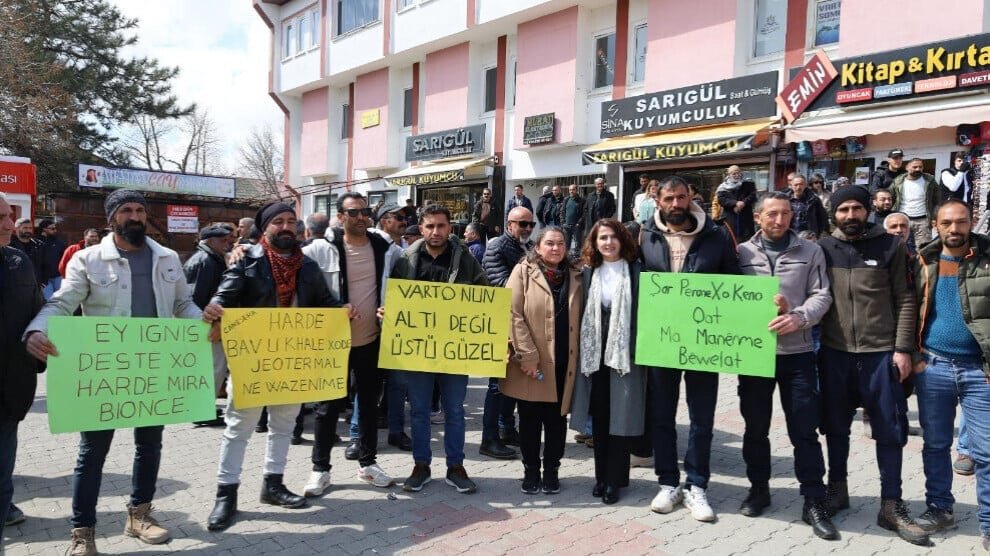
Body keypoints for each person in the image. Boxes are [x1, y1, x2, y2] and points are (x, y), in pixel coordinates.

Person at [24, 189, 201, 555]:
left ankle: (140, 515)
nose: (135, 217)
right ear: (111, 218)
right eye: (126, 211)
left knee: (150, 445)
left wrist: (205, 327)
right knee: (92, 452)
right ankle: (82, 531)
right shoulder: (88, 259)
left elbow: (183, 303)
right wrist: (37, 329)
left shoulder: (167, 257)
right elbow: (63, 301)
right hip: (107, 373)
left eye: (139, 210)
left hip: (155, 369)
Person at [200, 201, 341, 531]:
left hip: (293, 361)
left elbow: (327, 303)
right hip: (253, 362)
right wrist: (216, 307)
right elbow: (226, 293)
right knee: (239, 429)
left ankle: (273, 485)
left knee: (284, 425)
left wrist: (342, 311)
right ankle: (226, 495)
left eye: (291, 221)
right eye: (278, 221)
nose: (286, 227)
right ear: (265, 229)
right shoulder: (247, 260)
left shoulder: (307, 266)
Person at [817, 185, 930, 546]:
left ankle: (890, 505)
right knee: (835, 427)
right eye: (843, 209)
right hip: (834, 354)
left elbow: (906, 298)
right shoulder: (822, 247)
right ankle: (837, 490)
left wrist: (901, 350)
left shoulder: (891, 247)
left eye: (857, 208)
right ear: (834, 213)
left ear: (869, 211)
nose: (850, 215)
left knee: (890, 430)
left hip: (881, 354)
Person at [736, 192, 838, 540]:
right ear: (757, 218)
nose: (779, 220)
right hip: (754, 355)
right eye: (772, 214)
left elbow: (822, 295)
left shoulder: (810, 251)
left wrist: (798, 316)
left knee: (804, 430)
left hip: (798, 354)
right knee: (755, 428)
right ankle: (759, 489)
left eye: (785, 214)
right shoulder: (742, 254)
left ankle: (813, 500)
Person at [641, 175, 739, 522]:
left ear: (691, 197)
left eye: (681, 197)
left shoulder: (715, 235)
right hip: (661, 340)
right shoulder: (644, 235)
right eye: (669, 199)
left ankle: (697, 485)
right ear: (658, 201)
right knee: (662, 417)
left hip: (704, 342)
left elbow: (734, 281)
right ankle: (668, 482)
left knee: (702, 418)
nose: (676, 205)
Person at [389, 205, 488, 494]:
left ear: (450, 228)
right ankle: (421, 466)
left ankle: (456, 467)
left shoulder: (466, 260)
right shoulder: (406, 261)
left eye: (441, 226)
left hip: (454, 351)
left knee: (455, 411)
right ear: (421, 228)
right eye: (430, 226)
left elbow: (485, 296)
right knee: (419, 412)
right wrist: (389, 313)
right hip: (418, 352)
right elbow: (395, 298)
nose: (435, 232)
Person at [910, 199, 990, 550]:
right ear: (935, 224)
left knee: (986, 454)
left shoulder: (986, 258)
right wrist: (915, 356)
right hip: (934, 367)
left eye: (961, 222)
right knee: (936, 445)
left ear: (972, 222)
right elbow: (908, 309)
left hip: (979, 371)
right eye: (947, 223)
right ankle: (940, 508)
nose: (954, 229)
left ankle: (988, 524)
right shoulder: (923, 262)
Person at [311, 194, 399, 497]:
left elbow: (417, 254)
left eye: (365, 212)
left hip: (370, 340)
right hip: (333, 344)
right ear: (340, 216)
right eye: (354, 212)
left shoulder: (384, 248)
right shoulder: (322, 249)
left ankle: (368, 463)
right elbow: (287, 258)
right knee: (328, 408)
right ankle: (320, 470)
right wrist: (244, 250)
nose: (361, 217)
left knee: (370, 405)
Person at [502, 226, 582, 495]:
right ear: (538, 247)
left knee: (557, 422)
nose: (556, 248)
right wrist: (527, 355)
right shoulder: (523, 271)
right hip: (531, 365)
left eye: (560, 243)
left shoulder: (576, 275)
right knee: (530, 421)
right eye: (549, 243)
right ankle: (530, 472)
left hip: (564, 364)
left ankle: (552, 472)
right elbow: (511, 313)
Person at [569, 219, 644, 505]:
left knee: (620, 420)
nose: (608, 242)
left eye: (613, 237)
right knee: (600, 420)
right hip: (595, 354)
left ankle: (616, 480)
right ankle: (601, 477)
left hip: (625, 355)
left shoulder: (637, 271)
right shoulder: (587, 272)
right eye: (602, 238)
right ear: (595, 242)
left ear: (622, 240)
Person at [0, 194, 44, 548]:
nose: (8, 224)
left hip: (9, 389)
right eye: (0, 217)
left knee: (3, 467)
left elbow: (37, 312)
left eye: (9, 216)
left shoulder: (19, 260)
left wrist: (37, 337)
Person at [478, 207, 536, 460]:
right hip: (500, 323)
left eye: (530, 224)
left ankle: (506, 429)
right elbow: (501, 284)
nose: (527, 228)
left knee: (511, 382)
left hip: (519, 324)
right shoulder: (496, 247)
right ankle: (488, 438)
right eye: (522, 224)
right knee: (495, 385)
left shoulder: (528, 246)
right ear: (509, 224)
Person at [183, 224, 235, 428]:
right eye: (222, 240)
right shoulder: (206, 260)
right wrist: (210, 324)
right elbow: (197, 297)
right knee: (213, 369)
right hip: (208, 326)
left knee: (211, 369)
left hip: (206, 324)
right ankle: (202, 410)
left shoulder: (208, 258)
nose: (227, 243)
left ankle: (203, 407)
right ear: (209, 241)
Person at [891, 158, 938, 248]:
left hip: (923, 221)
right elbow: (891, 197)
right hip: (903, 220)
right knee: (899, 247)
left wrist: (935, 216)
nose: (918, 169)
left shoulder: (929, 180)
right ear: (907, 168)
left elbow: (938, 197)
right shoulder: (898, 181)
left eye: (920, 167)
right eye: (915, 167)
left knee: (924, 249)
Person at [716, 165, 757, 243]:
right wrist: (735, 203)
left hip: (746, 217)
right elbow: (721, 200)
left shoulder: (748, 183)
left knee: (748, 239)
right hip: (730, 217)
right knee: (730, 239)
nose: (736, 175)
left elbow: (753, 195)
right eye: (734, 174)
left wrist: (743, 203)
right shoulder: (723, 187)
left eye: (738, 173)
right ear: (729, 175)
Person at [37, 218, 66, 299]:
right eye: (52, 228)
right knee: (49, 300)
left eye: (55, 228)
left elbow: (64, 258)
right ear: (44, 229)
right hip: (43, 278)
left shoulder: (59, 242)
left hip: (57, 276)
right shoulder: (36, 242)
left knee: (60, 300)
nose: (55, 231)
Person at [10, 218, 44, 287]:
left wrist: (43, 282)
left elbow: (45, 265)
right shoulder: (8, 245)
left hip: (35, 286)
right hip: (14, 286)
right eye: (25, 228)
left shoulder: (39, 245)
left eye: (30, 228)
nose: (28, 230)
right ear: (16, 228)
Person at [563, 184, 585, 252]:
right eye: (570, 190)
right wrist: (563, 222)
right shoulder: (566, 199)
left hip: (577, 226)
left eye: (573, 189)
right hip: (567, 226)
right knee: (566, 243)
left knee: (578, 244)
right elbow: (562, 211)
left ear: (576, 190)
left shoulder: (582, 201)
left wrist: (579, 223)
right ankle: (566, 258)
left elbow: (584, 213)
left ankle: (578, 258)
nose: (571, 191)